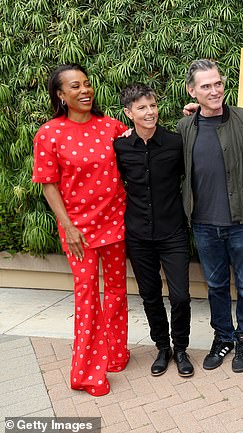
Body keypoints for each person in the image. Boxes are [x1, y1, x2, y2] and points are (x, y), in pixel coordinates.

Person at [32, 64, 129, 396]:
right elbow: (48, 185)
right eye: (75, 86)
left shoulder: (111, 127)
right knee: (88, 298)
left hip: (115, 223)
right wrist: (68, 227)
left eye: (87, 84)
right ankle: (88, 373)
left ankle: (116, 355)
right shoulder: (49, 133)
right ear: (61, 95)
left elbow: (144, 142)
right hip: (78, 232)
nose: (85, 90)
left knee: (116, 291)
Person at [179, 59, 243, 373]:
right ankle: (223, 337)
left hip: (241, 222)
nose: (215, 91)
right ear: (192, 91)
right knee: (216, 285)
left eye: (218, 84)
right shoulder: (185, 127)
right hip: (203, 224)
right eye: (206, 86)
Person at [113, 84, 193, 378]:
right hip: (137, 234)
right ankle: (162, 347)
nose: (150, 112)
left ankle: (181, 348)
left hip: (172, 232)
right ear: (128, 113)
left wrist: (195, 114)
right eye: (142, 108)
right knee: (149, 295)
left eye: (152, 106)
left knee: (181, 295)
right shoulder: (119, 146)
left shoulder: (175, 142)